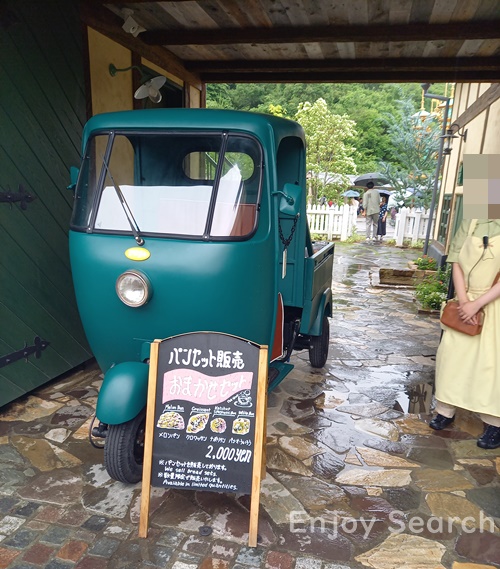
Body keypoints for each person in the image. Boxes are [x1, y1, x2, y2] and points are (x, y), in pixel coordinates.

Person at [430, 219, 500, 449]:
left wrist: (477, 304)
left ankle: (494, 422)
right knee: (451, 357)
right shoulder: (470, 222)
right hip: (465, 301)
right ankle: (445, 410)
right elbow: (456, 261)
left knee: (491, 365)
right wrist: (464, 301)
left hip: (494, 305)